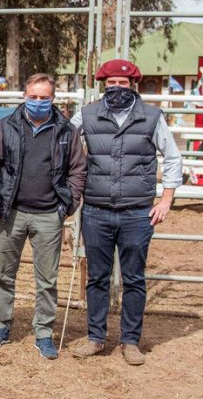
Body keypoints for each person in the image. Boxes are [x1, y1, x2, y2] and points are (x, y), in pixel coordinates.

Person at [70, 59, 182, 366]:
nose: (116, 89)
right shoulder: (87, 115)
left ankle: (130, 341)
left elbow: (172, 158)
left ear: (133, 85)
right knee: (97, 278)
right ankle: (95, 337)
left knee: (133, 278)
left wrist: (166, 199)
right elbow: (63, 145)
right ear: (102, 86)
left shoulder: (151, 117)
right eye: (110, 84)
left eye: (122, 84)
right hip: (96, 210)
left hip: (137, 213)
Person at [0, 73, 87, 360]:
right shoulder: (7, 126)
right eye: (33, 97)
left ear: (53, 99)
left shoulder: (66, 130)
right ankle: (0, 325)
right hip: (11, 213)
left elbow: (78, 169)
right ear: (24, 95)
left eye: (44, 98)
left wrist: (68, 204)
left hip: (48, 216)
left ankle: (43, 332)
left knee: (47, 279)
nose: (38, 102)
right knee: (4, 274)